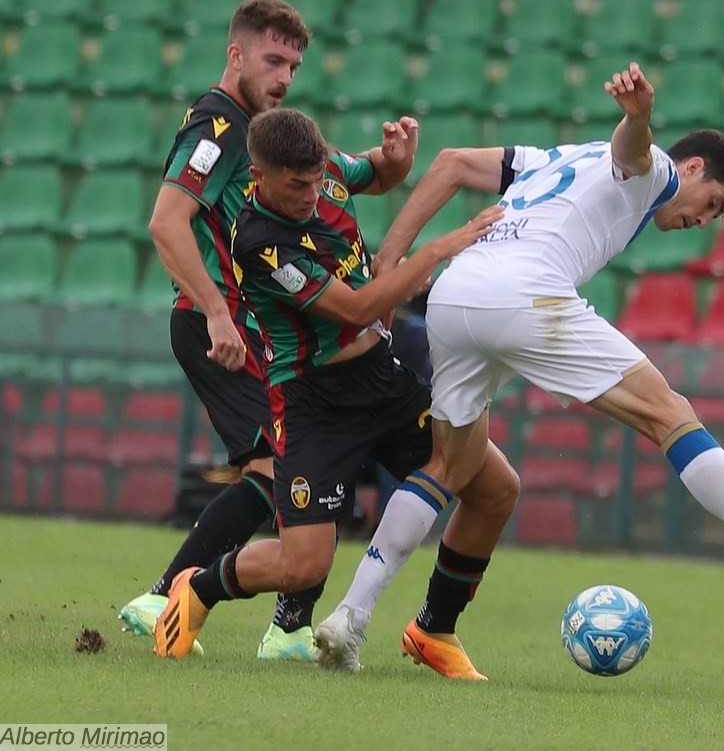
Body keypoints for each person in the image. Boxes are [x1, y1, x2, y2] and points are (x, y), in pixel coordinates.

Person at [314, 62, 724, 679]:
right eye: (711, 203)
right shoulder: (657, 169)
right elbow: (632, 152)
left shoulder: (553, 156)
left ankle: (351, 617)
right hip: (525, 292)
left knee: (451, 465)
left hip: (454, 292)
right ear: (689, 170)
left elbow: (447, 162)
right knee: (671, 415)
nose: (704, 220)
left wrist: (392, 257)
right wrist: (637, 117)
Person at [152, 108, 521, 665]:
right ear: (258, 177)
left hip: (382, 381)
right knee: (304, 567)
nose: (309, 193)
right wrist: (440, 249)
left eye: (315, 179)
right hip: (313, 403)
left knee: (496, 487)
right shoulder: (258, 240)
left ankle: (434, 630)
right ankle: (198, 587)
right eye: (295, 185)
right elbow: (357, 306)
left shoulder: (325, 171)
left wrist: (396, 161)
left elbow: (372, 172)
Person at [117, 0, 418, 661]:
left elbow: (350, 174)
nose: (284, 75)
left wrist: (393, 159)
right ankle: (171, 595)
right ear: (236, 54)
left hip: (248, 328)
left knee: (293, 465)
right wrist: (220, 314)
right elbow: (166, 222)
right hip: (213, 323)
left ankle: (283, 627)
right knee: (281, 465)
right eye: (272, 59)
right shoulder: (218, 126)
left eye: (294, 64)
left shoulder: (269, 134)